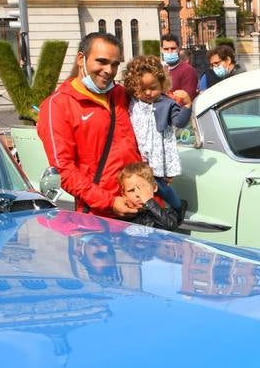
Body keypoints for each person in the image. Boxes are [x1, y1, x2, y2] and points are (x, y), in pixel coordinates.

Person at [37, 32, 143, 218]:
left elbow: (155, 102)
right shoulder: (57, 106)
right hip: (99, 216)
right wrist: (109, 202)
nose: (109, 70)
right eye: (101, 61)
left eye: (115, 64)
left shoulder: (121, 94)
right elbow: (64, 171)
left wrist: (179, 100)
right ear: (81, 59)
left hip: (142, 204)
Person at [120, 55, 191, 215]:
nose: (148, 93)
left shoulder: (166, 103)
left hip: (157, 154)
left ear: (162, 84)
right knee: (141, 185)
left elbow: (179, 122)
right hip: (138, 152)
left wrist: (187, 105)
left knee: (159, 184)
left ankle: (178, 207)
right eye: (142, 88)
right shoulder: (133, 101)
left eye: (153, 87)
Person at [118, 161, 182, 230]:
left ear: (154, 187)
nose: (138, 194)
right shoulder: (122, 215)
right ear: (123, 194)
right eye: (131, 190)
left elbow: (169, 226)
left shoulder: (167, 213)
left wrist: (149, 201)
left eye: (142, 189)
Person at [160, 34, 198, 102]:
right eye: (166, 49)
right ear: (161, 50)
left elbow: (187, 100)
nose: (169, 51)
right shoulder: (159, 69)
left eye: (173, 48)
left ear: (178, 49)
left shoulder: (188, 71)